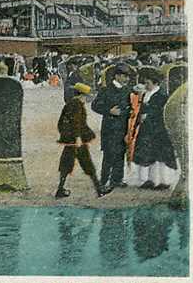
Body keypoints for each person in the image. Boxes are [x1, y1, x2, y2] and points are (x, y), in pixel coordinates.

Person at [128, 74, 179, 190]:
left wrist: (147, 116)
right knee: (148, 156)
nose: (146, 85)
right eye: (145, 83)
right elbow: (141, 110)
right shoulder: (146, 94)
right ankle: (150, 180)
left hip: (159, 130)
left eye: (148, 83)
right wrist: (137, 124)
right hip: (147, 130)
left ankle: (164, 181)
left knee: (161, 157)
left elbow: (162, 113)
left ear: (155, 83)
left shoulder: (162, 96)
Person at [55, 82, 105, 198]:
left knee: (67, 164)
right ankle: (99, 189)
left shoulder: (71, 104)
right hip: (77, 140)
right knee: (87, 164)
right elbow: (76, 122)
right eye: (86, 96)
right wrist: (77, 138)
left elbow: (61, 123)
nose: (87, 99)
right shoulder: (77, 105)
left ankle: (60, 189)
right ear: (81, 95)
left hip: (71, 140)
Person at [91, 63, 132, 192]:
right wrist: (109, 111)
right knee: (109, 154)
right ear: (117, 76)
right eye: (124, 76)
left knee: (120, 153)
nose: (127, 79)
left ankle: (117, 180)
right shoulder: (106, 90)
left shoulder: (128, 90)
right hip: (110, 128)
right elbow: (95, 105)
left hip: (123, 127)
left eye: (127, 77)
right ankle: (103, 180)